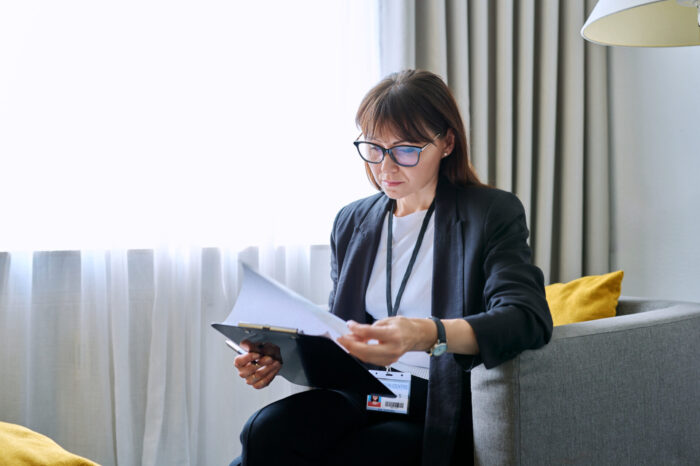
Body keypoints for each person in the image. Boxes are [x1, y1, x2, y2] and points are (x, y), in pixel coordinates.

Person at [231, 69, 552, 466]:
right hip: (365, 388)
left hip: (435, 397)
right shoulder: (353, 220)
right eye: (374, 148)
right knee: (264, 431)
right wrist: (280, 356)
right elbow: (341, 333)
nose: (385, 167)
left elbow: (526, 318)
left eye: (405, 149)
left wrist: (427, 333)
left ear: (447, 143)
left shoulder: (490, 213)